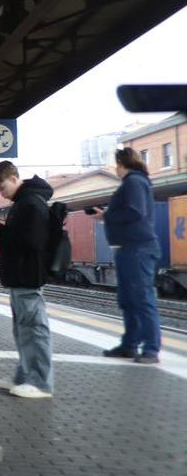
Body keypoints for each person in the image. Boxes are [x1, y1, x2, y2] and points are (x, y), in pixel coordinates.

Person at [0, 160, 55, 398]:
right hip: (21, 276)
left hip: (27, 276)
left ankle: (40, 383)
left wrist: (1, 233)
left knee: (34, 330)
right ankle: (24, 375)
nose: (1, 193)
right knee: (23, 330)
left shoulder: (30, 204)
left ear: (13, 178)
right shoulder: (25, 202)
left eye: (2, 187)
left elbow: (32, 242)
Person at [94, 147, 162, 365]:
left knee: (142, 300)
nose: (115, 169)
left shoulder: (133, 182)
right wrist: (108, 215)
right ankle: (129, 345)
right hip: (129, 249)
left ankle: (151, 349)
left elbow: (134, 211)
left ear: (121, 164)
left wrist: (108, 215)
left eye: (116, 165)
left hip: (138, 249)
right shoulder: (136, 182)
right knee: (128, 300)